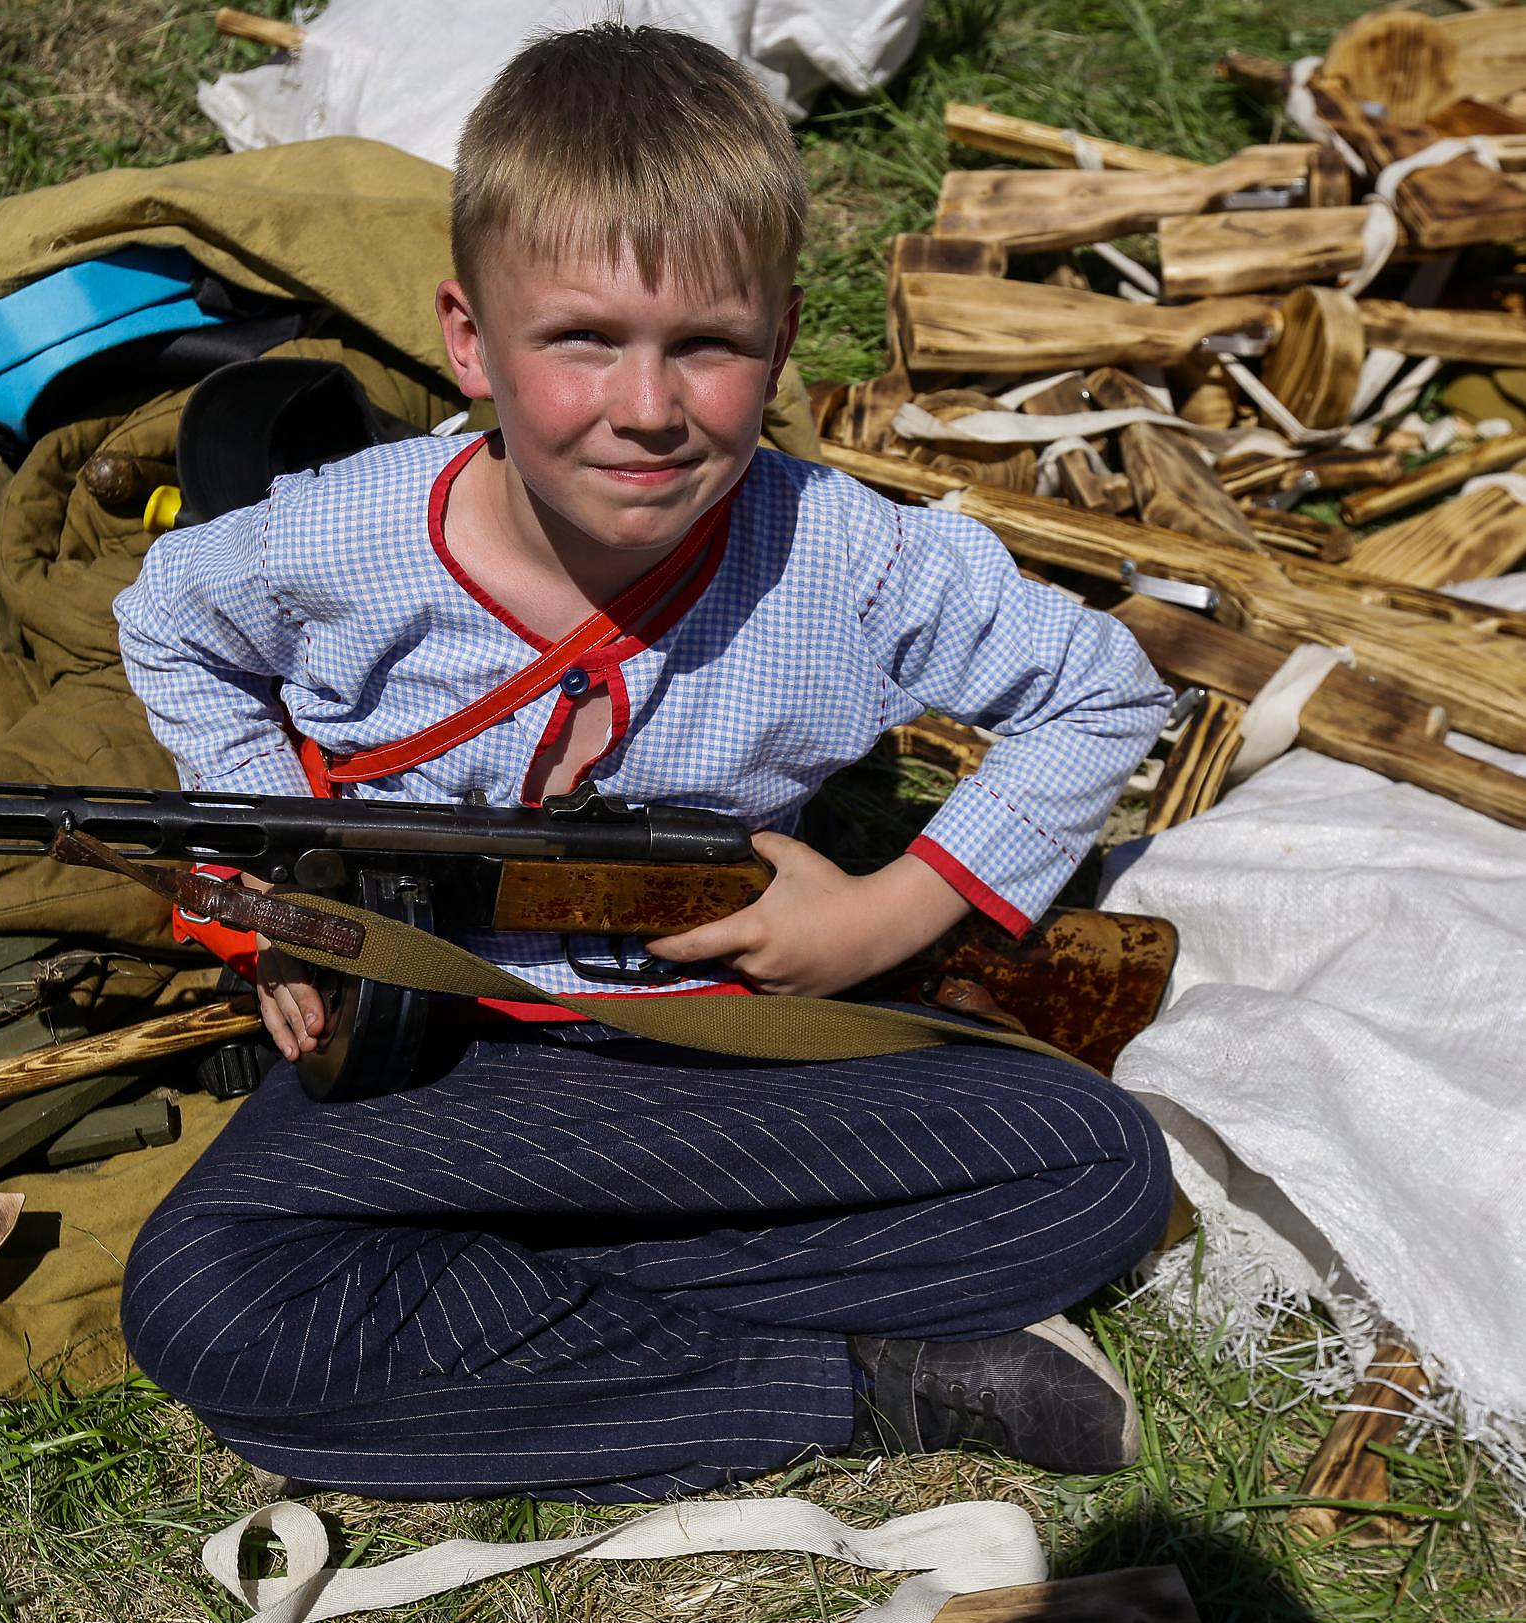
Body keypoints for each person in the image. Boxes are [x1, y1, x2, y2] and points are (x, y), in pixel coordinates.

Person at [112, 22, 1174, 1504]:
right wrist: (289, 881)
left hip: (723, 1065)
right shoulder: (338, 537)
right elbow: (169, 624)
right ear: (470, 339)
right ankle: (859, 1382)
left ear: (784, 338)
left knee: (1100, 1169)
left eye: (709, 346)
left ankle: (509, 1304)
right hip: (440, 1069)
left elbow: (1099, 691)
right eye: (582, 340)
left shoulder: (846, 554)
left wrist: (884, 916)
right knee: (209, 1296)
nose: (648, 407)